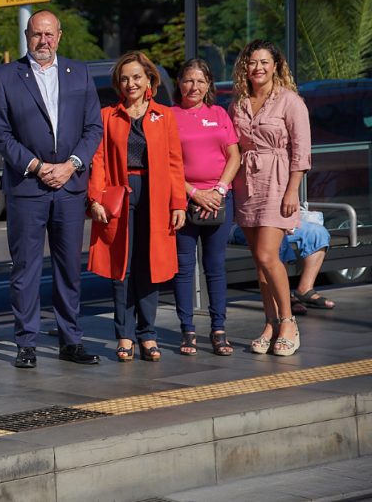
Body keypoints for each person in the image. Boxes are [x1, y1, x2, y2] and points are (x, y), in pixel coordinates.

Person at [0, 10, 103, 369]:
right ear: (27, 36)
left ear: (59, 36)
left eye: (49, 34)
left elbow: (94, 128)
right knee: (26, 269)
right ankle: (26, 343)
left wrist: (71, 165)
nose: (44, 41)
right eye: (37, 34)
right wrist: (37, 166)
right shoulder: (5, 77)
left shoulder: (80, 73)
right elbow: (0, 133)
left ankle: (71, 340)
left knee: (69, 268)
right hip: (27, 186)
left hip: (70, 185)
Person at [87, 51, 187, 362]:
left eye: (136, 77)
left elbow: (174, 163)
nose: (131, 83)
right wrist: (95, 198)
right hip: (120, 195)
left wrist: (178, 203)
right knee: (121, 267)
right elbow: (99, 160)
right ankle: (124, 335)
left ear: (149, 80)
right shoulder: (108, 115)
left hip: (156, 195)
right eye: (125, 79)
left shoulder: (164, 115)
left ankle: (148, 334)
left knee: (150, 264)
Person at [229, 40, 311, 356]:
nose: (258, 68)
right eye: (252, 62)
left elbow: (301, 150)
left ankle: (289, 321)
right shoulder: (238, 103)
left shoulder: (290, 101)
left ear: (275, 65)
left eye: (264, 62)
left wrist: (293, 190)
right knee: (259, 262)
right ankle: (270, 322)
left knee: (267, 255)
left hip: (278, 183)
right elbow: (231, 146)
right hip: (246, 184)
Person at [171, 59, 241, 356]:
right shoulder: (169, 116)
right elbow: (165, 165)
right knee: (184, 268)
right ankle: (187, 330)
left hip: (219, 199)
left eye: (201, 81)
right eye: (188, 80)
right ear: (179, 83)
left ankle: (219, 329)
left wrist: (219, 190)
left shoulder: (219, 114)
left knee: (214, 266)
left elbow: (234, 156)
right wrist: (194, 192)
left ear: (209, 84)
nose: (194, 87)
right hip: (184, 200)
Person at [229, 221, 336, 314]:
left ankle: (305, 290)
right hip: (245, 225)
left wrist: (286, 221)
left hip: (279, 221)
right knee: (276, 240)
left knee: (318, 233)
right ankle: (284, 297)